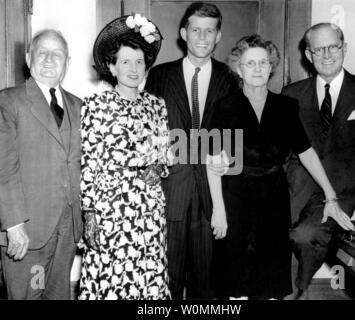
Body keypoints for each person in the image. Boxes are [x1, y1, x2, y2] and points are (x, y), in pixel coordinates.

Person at [206, 34, 350, 300]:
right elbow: (212, 163)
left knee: (269, 279)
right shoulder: (225, 107)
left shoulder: (286, 106)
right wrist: (219, 211)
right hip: (234, 196)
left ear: (271, 66)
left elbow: (306, 153)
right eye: (250, 64)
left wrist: (331, 196)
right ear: (239, 69)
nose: (258, 69)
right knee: (235, 277)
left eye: (263, 62)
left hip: (273, 198)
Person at [145, 2, 238, 299]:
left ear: (218, 36)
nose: (202, 37)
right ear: (184, 33)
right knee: (166, 276)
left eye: (209, 31)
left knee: (206, 279)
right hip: (170, 189)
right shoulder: (158, 76)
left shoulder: (231, 78)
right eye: (196, 30)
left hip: (214, 193)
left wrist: (228, 155)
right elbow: (150, 135)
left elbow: (234, 137)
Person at [282, 22, 355, 299]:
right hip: (297, 189)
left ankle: (296, 293)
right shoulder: (291, 93)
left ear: (344, 48)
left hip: (347, 194)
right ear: (308, 55)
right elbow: (283, 152)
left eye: (333, 47)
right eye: (318, 49)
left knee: (306, 235)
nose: (326, 54)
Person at [79, 14, 171, 300]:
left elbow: (164, 153)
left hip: (148, 210)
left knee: (148, 280)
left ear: (146, 67)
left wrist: (158, 167)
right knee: (109, 280)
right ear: (111, 66)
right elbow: (89, 162)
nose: (133, 68)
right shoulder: (96, 105)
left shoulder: (157, 105)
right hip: (110, 211)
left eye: (139, 62)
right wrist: (90, 214)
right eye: (126, 61)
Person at [0, 29, 82, 299]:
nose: (49, 60)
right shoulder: (9, 101)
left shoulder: (78, 106)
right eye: (42, 53)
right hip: (28, 232)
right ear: (28, 57)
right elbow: (4, 168)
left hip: (66, 232)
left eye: (57, 54)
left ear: (67, 63)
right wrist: (13, 226)